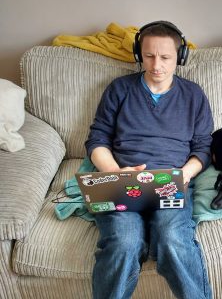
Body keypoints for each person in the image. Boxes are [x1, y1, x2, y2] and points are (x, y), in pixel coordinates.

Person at [85, 20, 213, 299]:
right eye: (149, 56)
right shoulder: (119, 89)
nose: (156, 65)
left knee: (173, 239)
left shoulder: (194, 95)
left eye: (166, 57)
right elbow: (97, 140)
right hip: (123, 180)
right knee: (123, 242)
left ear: (180, 57)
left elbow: (203, 147)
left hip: (170, 182)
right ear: (138, 54)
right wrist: (116, 172)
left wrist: (185, 174)